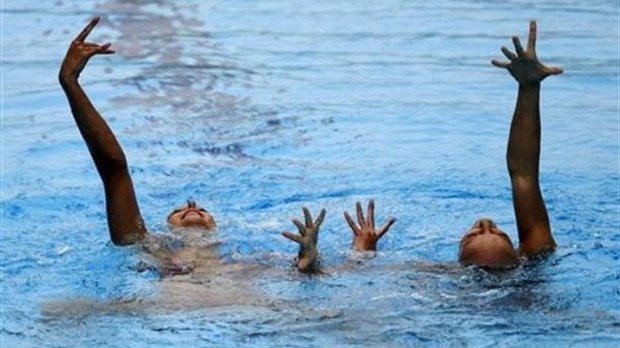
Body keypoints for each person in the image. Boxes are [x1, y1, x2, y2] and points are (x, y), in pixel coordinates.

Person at [282, 21, 562, 271]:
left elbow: (523, 174)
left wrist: (358, 254)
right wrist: (529, 89)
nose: (485, 222)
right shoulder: (534, 259)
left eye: (477, 231)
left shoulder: (435, 277)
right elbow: (524, 175)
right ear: (515, 251)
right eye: (497, 230)